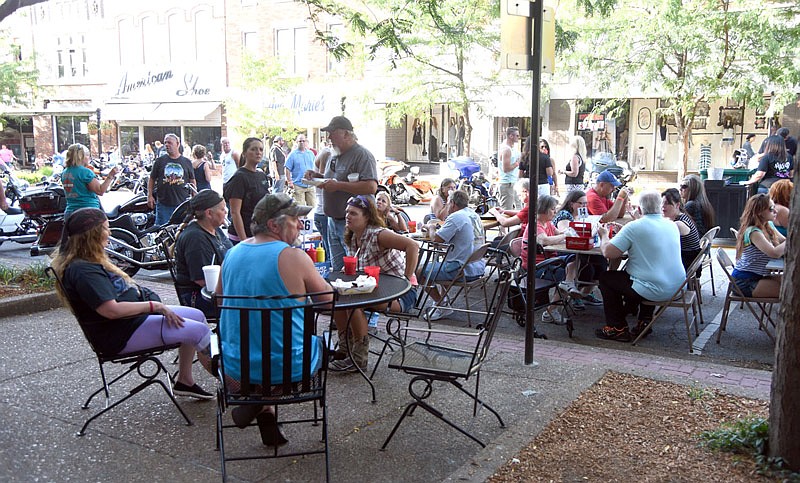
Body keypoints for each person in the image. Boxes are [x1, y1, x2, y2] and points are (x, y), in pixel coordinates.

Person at [51, 208, 212, 399]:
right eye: (106, 228)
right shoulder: (83, 270)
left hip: (132, 322)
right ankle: (234, 383)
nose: (109, 233)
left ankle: (185, 381)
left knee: (197, 315)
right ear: (93, 234)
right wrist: (155, 306)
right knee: (198, 332)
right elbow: (111, 310)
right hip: (121, 332)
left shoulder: (88, 260)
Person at [214, 193, 333, 445]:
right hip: (291, 372)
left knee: (215, 344)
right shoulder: (294, 257)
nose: (301, 225)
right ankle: (264, 401)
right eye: (295, 219)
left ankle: (260, 405)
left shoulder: (232, 254)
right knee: (319, 344)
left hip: (237, 370)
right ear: (273, 225)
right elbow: (328, 302)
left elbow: (219, 300)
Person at [329, 195, 420, 372]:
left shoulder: (379, 234)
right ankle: (345, 348)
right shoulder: (355, 236)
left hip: (402, 294)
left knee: (352, 302)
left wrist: (407, 279)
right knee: (337, 298)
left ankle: (359, 358)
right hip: (377, 289)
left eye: (353, 213)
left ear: (367, 217)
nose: (348, 216)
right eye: (347, 212)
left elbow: (413, 246)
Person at [595, 190, 685, 342]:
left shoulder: (635, 226)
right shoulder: (671, 224)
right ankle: (644, 320)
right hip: (676, 286)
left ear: (639, 208)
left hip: (653, 287)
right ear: (659, 206)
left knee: (606, 278)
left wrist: (604, 235)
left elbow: (608, 253)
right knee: (645, 272)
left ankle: (617, 328)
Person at [304, 116, 378, 273]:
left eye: (332, 133)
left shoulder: (362, 155)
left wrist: (338, 185)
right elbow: (333, 179)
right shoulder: (333, 154)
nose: (329, 137)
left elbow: (371, 186)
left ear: (346, 134)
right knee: (338, 270)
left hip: (354, 224)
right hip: (332, 221)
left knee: (357, 270)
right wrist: (316, 176)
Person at [420, 189, 485, 321]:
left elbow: (437, 240)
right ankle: (443, 301)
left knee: (419, 271)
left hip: (462, 270)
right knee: (443, 262)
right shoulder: (473, 215)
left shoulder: (457, 217)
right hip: (477, 266)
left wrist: (431, 228)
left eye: (448, 204)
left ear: (453, 203)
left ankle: (441, 304)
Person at [173, 190, 232, 318]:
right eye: (222, 209)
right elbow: (203, 280)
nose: (226, 212)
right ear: (209, 213)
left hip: (219, 291)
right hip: (200, 297)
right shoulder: (195, 238)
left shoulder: (216, 230)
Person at [519, 195, 577, 324]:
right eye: (552, 209)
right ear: (544, 209)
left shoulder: (548, 223)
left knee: (575, 259)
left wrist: (570, 232)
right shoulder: (535, 225)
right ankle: (550, 311)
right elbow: (543, 240)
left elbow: (559, 234)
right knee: (564, 274)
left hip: (550, 261)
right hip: (537, 266)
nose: (555, 212)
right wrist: (565, 235)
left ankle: (568, 284)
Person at [553, 190, 605, 307]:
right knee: (587, 266)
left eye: (586, 203)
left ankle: (584, 294)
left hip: (581, 247)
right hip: (565, 250)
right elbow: (566, 232)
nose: (584, 206)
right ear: (572, 203)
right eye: (581, 203)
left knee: (601, 263)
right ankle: (576, 295)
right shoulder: (564, 215)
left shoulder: (583, 215)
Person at [731, 193, 786, 299]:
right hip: (744, 282)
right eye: (771, 208)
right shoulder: (754, 232)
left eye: (774, 207)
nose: (776, 211)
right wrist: (793, 238)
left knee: (793, 283)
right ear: (759, 212)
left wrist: (790, 241)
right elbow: (774, 253)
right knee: (791, 293)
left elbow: (784, 240)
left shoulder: (768, 224)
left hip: (759, 276)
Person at [223, 137, 270, 245]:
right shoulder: (239, 177)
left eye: (261, 149)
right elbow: (235, 212)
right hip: (242, 236)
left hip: (258, 233)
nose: (258, 152)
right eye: (253, 149)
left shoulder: (261, 175)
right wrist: (244, 241)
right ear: (244, 153)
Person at [148, 134, 196, 226]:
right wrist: (149, 195)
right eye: (165, 142)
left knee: (181, 230)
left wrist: (194, 196)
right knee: (162, 230)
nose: (166, 145)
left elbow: (192, 180)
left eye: (169, 143)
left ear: (177, 144)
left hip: (182, 204)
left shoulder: (186, 162)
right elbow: (152, 178)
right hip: (163, 204)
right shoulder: (159, 161)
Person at [61, 143, 118, 218]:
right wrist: (110, 176)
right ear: (81, 156)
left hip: (70, 212)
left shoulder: (65, 172)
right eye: (87, 155)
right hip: (88, 212)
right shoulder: (85, 172)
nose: (89, 158)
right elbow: (100, 191)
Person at [661, 188, 702, 271]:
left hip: (686, 267)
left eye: (667, 203)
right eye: (662, 203)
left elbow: (658, 238)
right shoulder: (681, 217)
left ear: (677, 205)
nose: (663, 206)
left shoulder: (679, 224)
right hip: (688, 262)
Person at [284, 133, 316, 207]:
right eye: (300, 141)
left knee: (312, 207)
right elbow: (287, 168)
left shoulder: (310, 153)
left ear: (306, 142)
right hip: (298, 185)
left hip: (310, 185)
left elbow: (315, 167)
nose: (302, 143)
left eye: (303, 141)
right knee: (300, 208)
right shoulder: (292, 155)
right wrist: (289, 182)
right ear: (297, 142)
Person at [497, 126, 521, 211]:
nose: (518, 137)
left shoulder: (512, 148)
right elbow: (506, 168)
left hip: (513, 182)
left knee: (519, 208)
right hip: (507, 183)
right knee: (506, 210)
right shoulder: (506, 149)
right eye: (517, 136)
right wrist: (517, 163)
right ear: (511, 136)